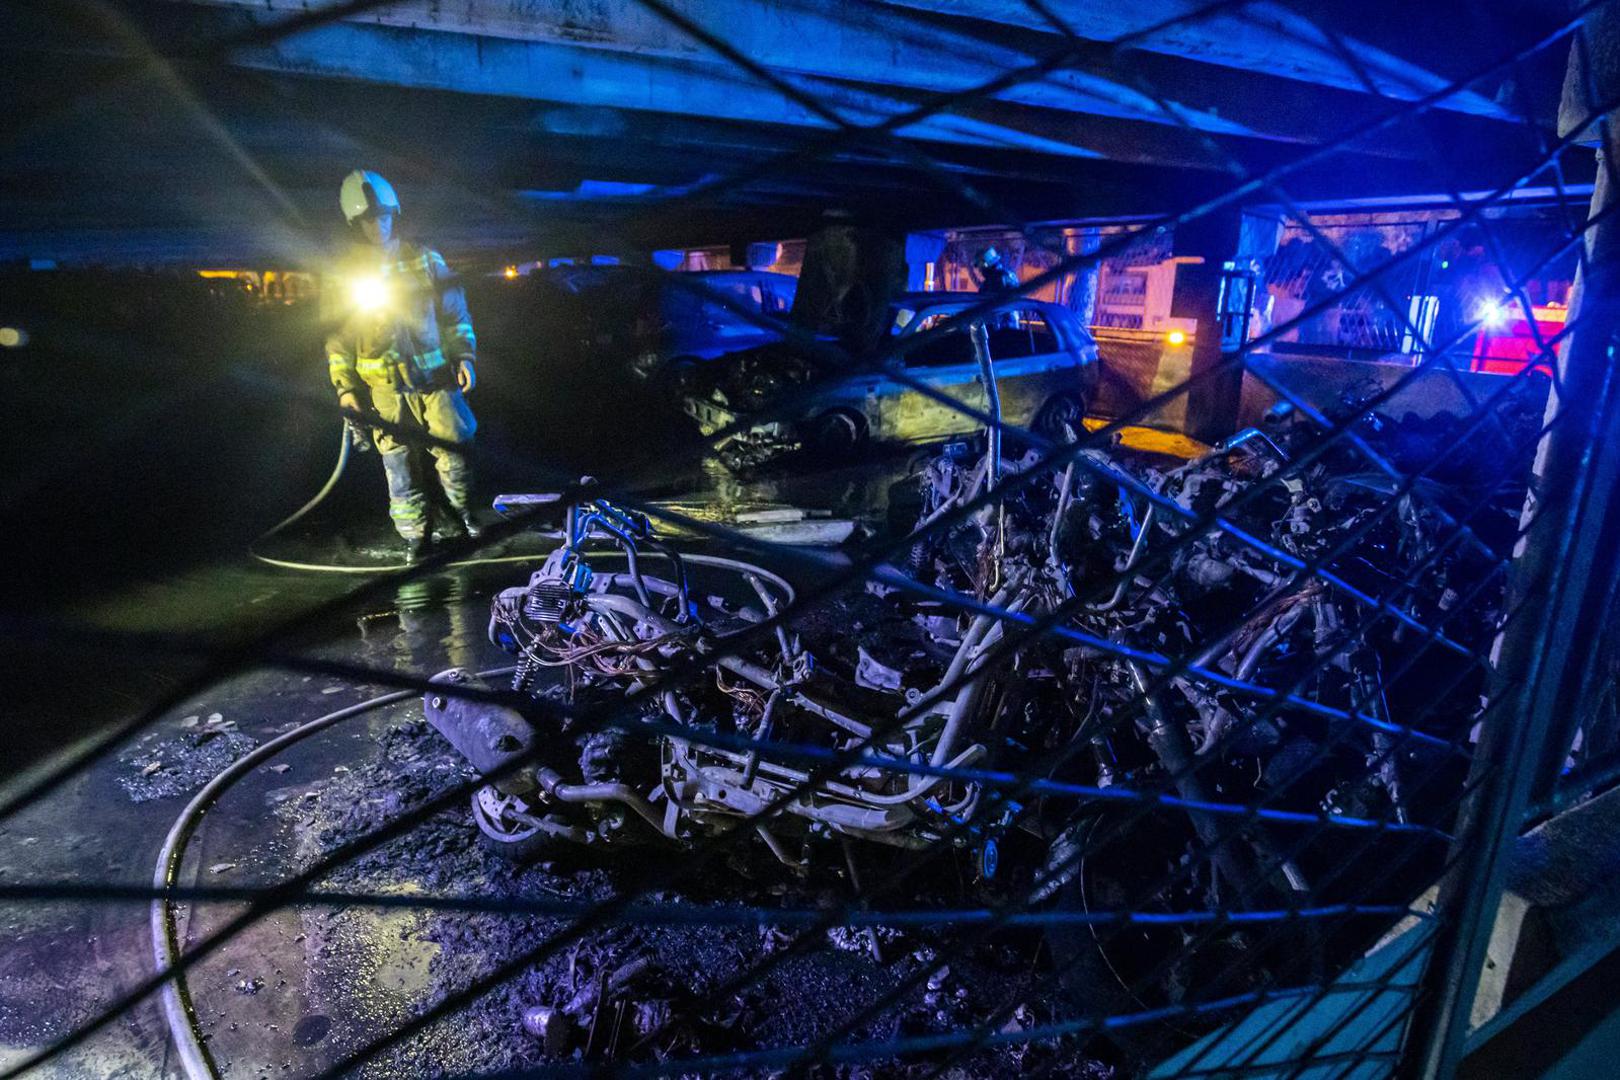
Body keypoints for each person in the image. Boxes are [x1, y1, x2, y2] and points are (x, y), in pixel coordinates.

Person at [325, 170, 480, 561]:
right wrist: (345, 389)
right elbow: (338, 339)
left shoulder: (424, 259)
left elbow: (455, 313)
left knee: (456, 445)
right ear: (356, 224)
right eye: (367, 220)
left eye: (381, 217)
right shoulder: (346, 273)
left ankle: (463, 515)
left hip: (435, 379)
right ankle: (416, 535)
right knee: (398, 461)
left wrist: (463, 356)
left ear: (393, 214)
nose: (376, 225)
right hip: (385, 389)